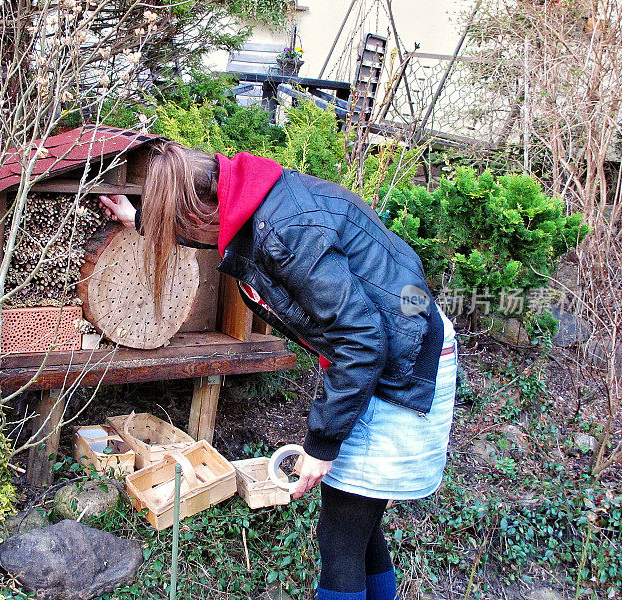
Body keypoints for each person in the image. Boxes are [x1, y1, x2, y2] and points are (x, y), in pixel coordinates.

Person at [99, 141, 458, 600]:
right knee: (360, 529)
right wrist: (142, 219)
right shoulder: (250, 199)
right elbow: (210, 231)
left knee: (340, 538)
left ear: (202, 209)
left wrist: (322, 445)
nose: (179, 237)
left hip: (399, 364)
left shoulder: (286, 233)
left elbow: (363, 340)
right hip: (395, 346)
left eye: (177, 223)